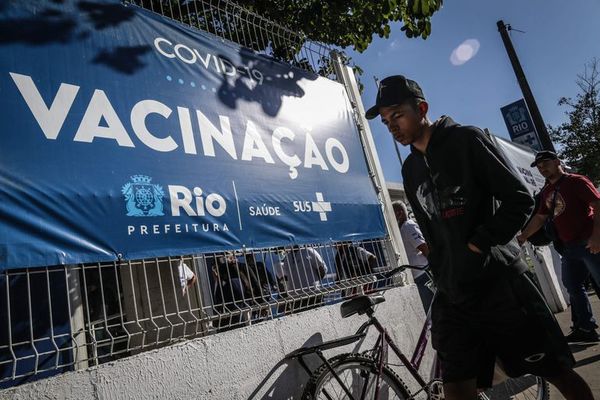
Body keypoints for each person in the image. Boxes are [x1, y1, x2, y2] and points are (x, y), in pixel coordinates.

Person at [366, 75, 592, 400]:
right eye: (386, 121)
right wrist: (441, 266)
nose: (392, 126)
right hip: (454, 294)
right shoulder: (410, 170)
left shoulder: (466, 140)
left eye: (397, 115)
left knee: (557, 372)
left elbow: (519, 198)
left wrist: (479, 243)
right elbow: (431, 229)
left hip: (498, 284)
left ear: (422, 108)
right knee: (456, 389)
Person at [517, 150, 600, 343]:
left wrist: (597, 236)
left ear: (557, 161)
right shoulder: (547, 191)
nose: (542, 168)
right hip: (569, 247)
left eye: (545, 163)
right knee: (572, 286)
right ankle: (587, 329)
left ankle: (586, 327)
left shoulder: (576, 181)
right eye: (538, 166)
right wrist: (523, 236)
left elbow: (597, 204)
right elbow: (540, 217)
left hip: (589, 243)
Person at [392, 200, 432, 311]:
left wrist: (434, 267)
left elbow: (423, 247)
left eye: (393, 213)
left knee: (431, 309)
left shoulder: (408, 225)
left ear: (399, 213)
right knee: (428, 310)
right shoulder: (401, 228)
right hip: (418, 276)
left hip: (423, 274)